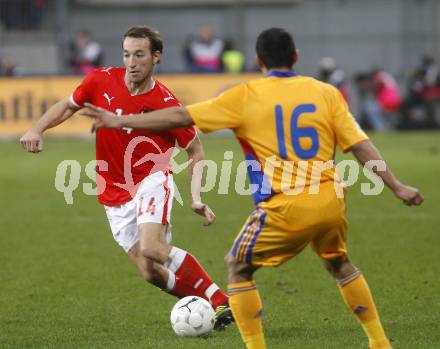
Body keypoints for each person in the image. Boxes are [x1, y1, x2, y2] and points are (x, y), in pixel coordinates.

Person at [83, 27, 424, 349]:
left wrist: (122, 120)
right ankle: (379, 342)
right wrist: (396, 186)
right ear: (296, 56)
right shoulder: (326, 93)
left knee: (238, 267)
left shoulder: (246, 96)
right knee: (340, 264)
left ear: (259, 62)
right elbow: (360, 145)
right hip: (331, 202)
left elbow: (180, 118)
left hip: (283, 206)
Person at [19, 26, 233, 330]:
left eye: (140, 55)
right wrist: (37, 128)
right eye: (126, 54)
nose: (131, 62)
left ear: (156, 57)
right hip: (113, 193)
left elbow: (195, 150)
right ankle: (209, 310)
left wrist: (196, 197)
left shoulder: (166, 104)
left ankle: (221, 300)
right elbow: (69, 105)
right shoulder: (100, 79)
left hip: (152, 179)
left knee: (153, 248)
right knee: (151, 272)